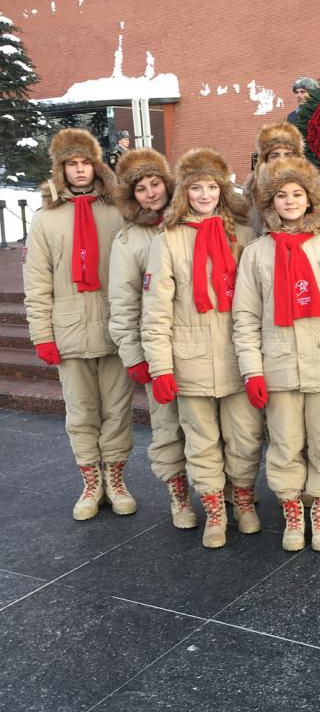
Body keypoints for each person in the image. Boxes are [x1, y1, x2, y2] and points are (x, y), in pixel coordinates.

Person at [232, 156, 320, 552]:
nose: (290, 201)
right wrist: (252, 371)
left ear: (310, 198)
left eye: (297, 194)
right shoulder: (257, 252)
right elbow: (245, 318)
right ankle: (293, 510)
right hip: (278, 366)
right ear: (270, 202)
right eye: (281, 195)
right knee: (285, 443)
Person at [142, 148, 263, 548]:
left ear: (223, 189)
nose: (205, 195)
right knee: (201, 439)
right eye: (197, 188)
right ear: (185, 192)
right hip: (189, 358)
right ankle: (214, 508)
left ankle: (242, 499)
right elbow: (156, 311)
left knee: (245, 437)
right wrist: (160, 368)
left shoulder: (243, 235)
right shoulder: (168, 240)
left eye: (212, 187)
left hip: (237, 355)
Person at [23, 128, 135, 521]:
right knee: (81, 413)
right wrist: (42, 335)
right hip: (69, 330)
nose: (80, 170)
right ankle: (91, 482)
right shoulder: (46, 219)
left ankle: (116, 480)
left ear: (97, 166)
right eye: (71, 164)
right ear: (61, 169)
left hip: (114, 329)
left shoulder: (117, 210)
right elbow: (37, 283)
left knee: (117, 411)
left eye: (86, 162)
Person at [108, 148, 196, 529]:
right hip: (158, 348)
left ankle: (223, 488)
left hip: (199, 343)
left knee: (210, 424)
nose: (150, 193)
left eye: (155, 183)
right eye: (140, 188)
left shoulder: (189, 224)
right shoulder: (128, 241)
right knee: (167, 427)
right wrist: (134, 355)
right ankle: (179, 494)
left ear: (167, 183)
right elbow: (123, 302)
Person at [245, 121, 306, 233]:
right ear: (265, 160)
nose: (282, 160)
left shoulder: (310, 192)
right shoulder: (250, 197)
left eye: (288, 155)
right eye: (275, 155)